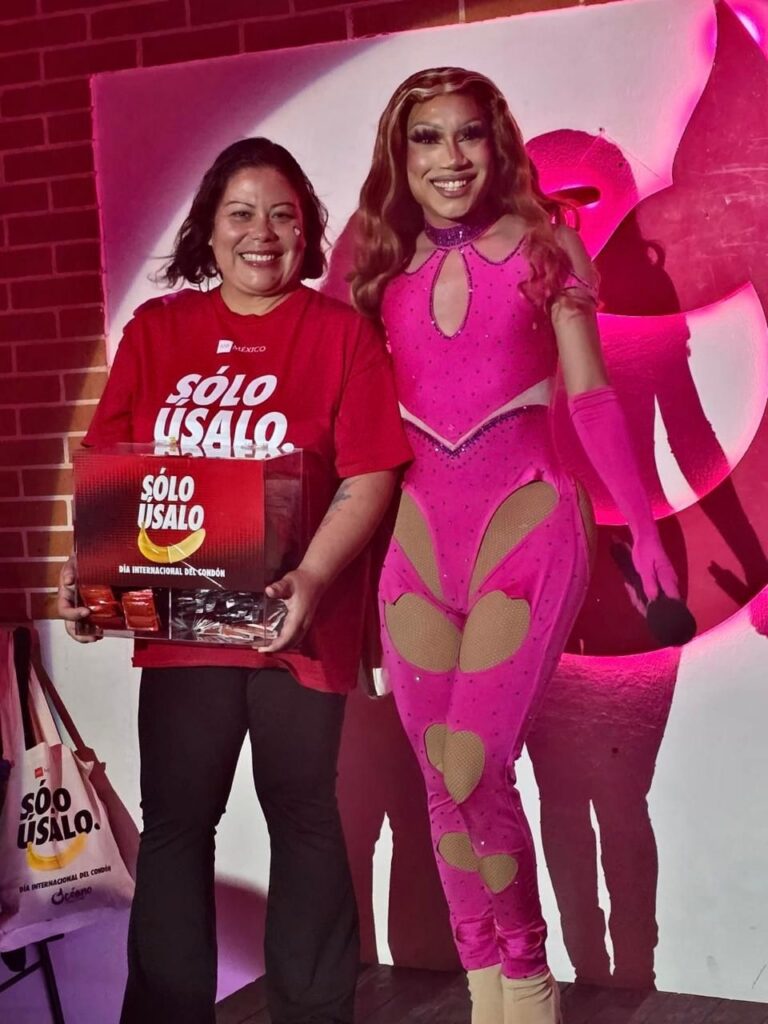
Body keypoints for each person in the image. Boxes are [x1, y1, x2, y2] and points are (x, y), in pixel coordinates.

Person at [58, 137, 412, 1024]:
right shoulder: (157, 331)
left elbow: (373, 469)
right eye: (242, 213)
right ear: (209, 230)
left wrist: (312, 578)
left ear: (306, 231)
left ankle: (314, 1013)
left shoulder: (341, 335)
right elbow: (112, 464)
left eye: (284, 215)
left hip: (299, 623)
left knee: (303, 813)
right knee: (178, 826)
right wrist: (87, 577)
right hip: (185, 628)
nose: (263, 232)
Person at [351, 68, 678, 1024]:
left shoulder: (547, 249)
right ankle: (486, 989)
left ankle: (529, 983)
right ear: (400, 155)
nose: (449, 157)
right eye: (426, 138)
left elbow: (593, 397)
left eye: (468, 134)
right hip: (416, 544)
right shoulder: (381, 272)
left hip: (526, 525)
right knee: (441, 784)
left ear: (496, 147)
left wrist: (643, 526)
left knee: (471, 766)